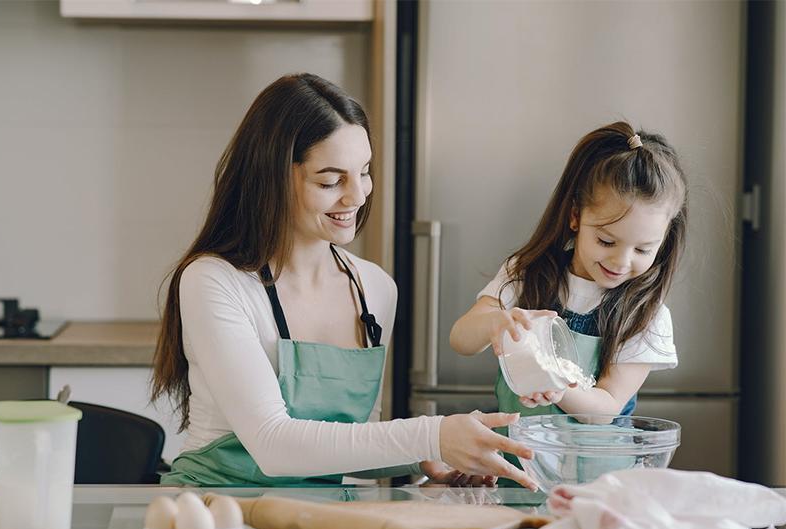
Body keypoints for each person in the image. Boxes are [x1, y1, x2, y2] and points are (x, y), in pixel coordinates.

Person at [151, 73, 536, 489]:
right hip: (215, 516)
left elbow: (348, 446)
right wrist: (432, 435)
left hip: (313, 523)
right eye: (331, 181)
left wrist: (428, 458)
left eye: (364, 172)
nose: (357, 196)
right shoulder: (214, 281)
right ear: (274, 177)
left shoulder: (374, 289)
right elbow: (273, 444)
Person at [450, 121, 686, 437]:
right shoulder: (527, 273)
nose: (621, 261)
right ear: (575, 216)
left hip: (594, 478)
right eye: (606, 241)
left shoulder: (646, 314)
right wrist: (495, 322)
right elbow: (461, 339)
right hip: (517, 466)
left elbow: (605, 408)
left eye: (643, 249)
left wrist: (555, 385)